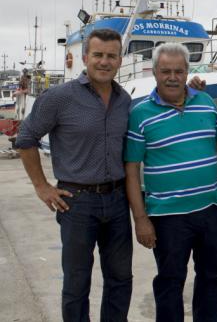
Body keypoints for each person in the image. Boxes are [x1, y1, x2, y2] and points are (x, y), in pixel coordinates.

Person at [15, 28, 133, 322]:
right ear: (85, 57)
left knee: (120, 279)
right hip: (77, 202)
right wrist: (42, 186)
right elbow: (25, 138)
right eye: (98, 55)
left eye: (111, 56)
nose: (104, 62)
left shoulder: (125, 100)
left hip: (118, 200)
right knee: (77, 283)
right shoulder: (59, 98)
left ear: (120, 60)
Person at [124, 42, 217, 322]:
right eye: (165, 71)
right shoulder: (140, 114)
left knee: (213, 278)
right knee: (169, 282)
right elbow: (131, 169)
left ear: (187, 71)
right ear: (154, 72)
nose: (173, 77)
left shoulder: (205, 103)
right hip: (167, 217)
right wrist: (140, 218)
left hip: (210, 210)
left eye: (179, 71)